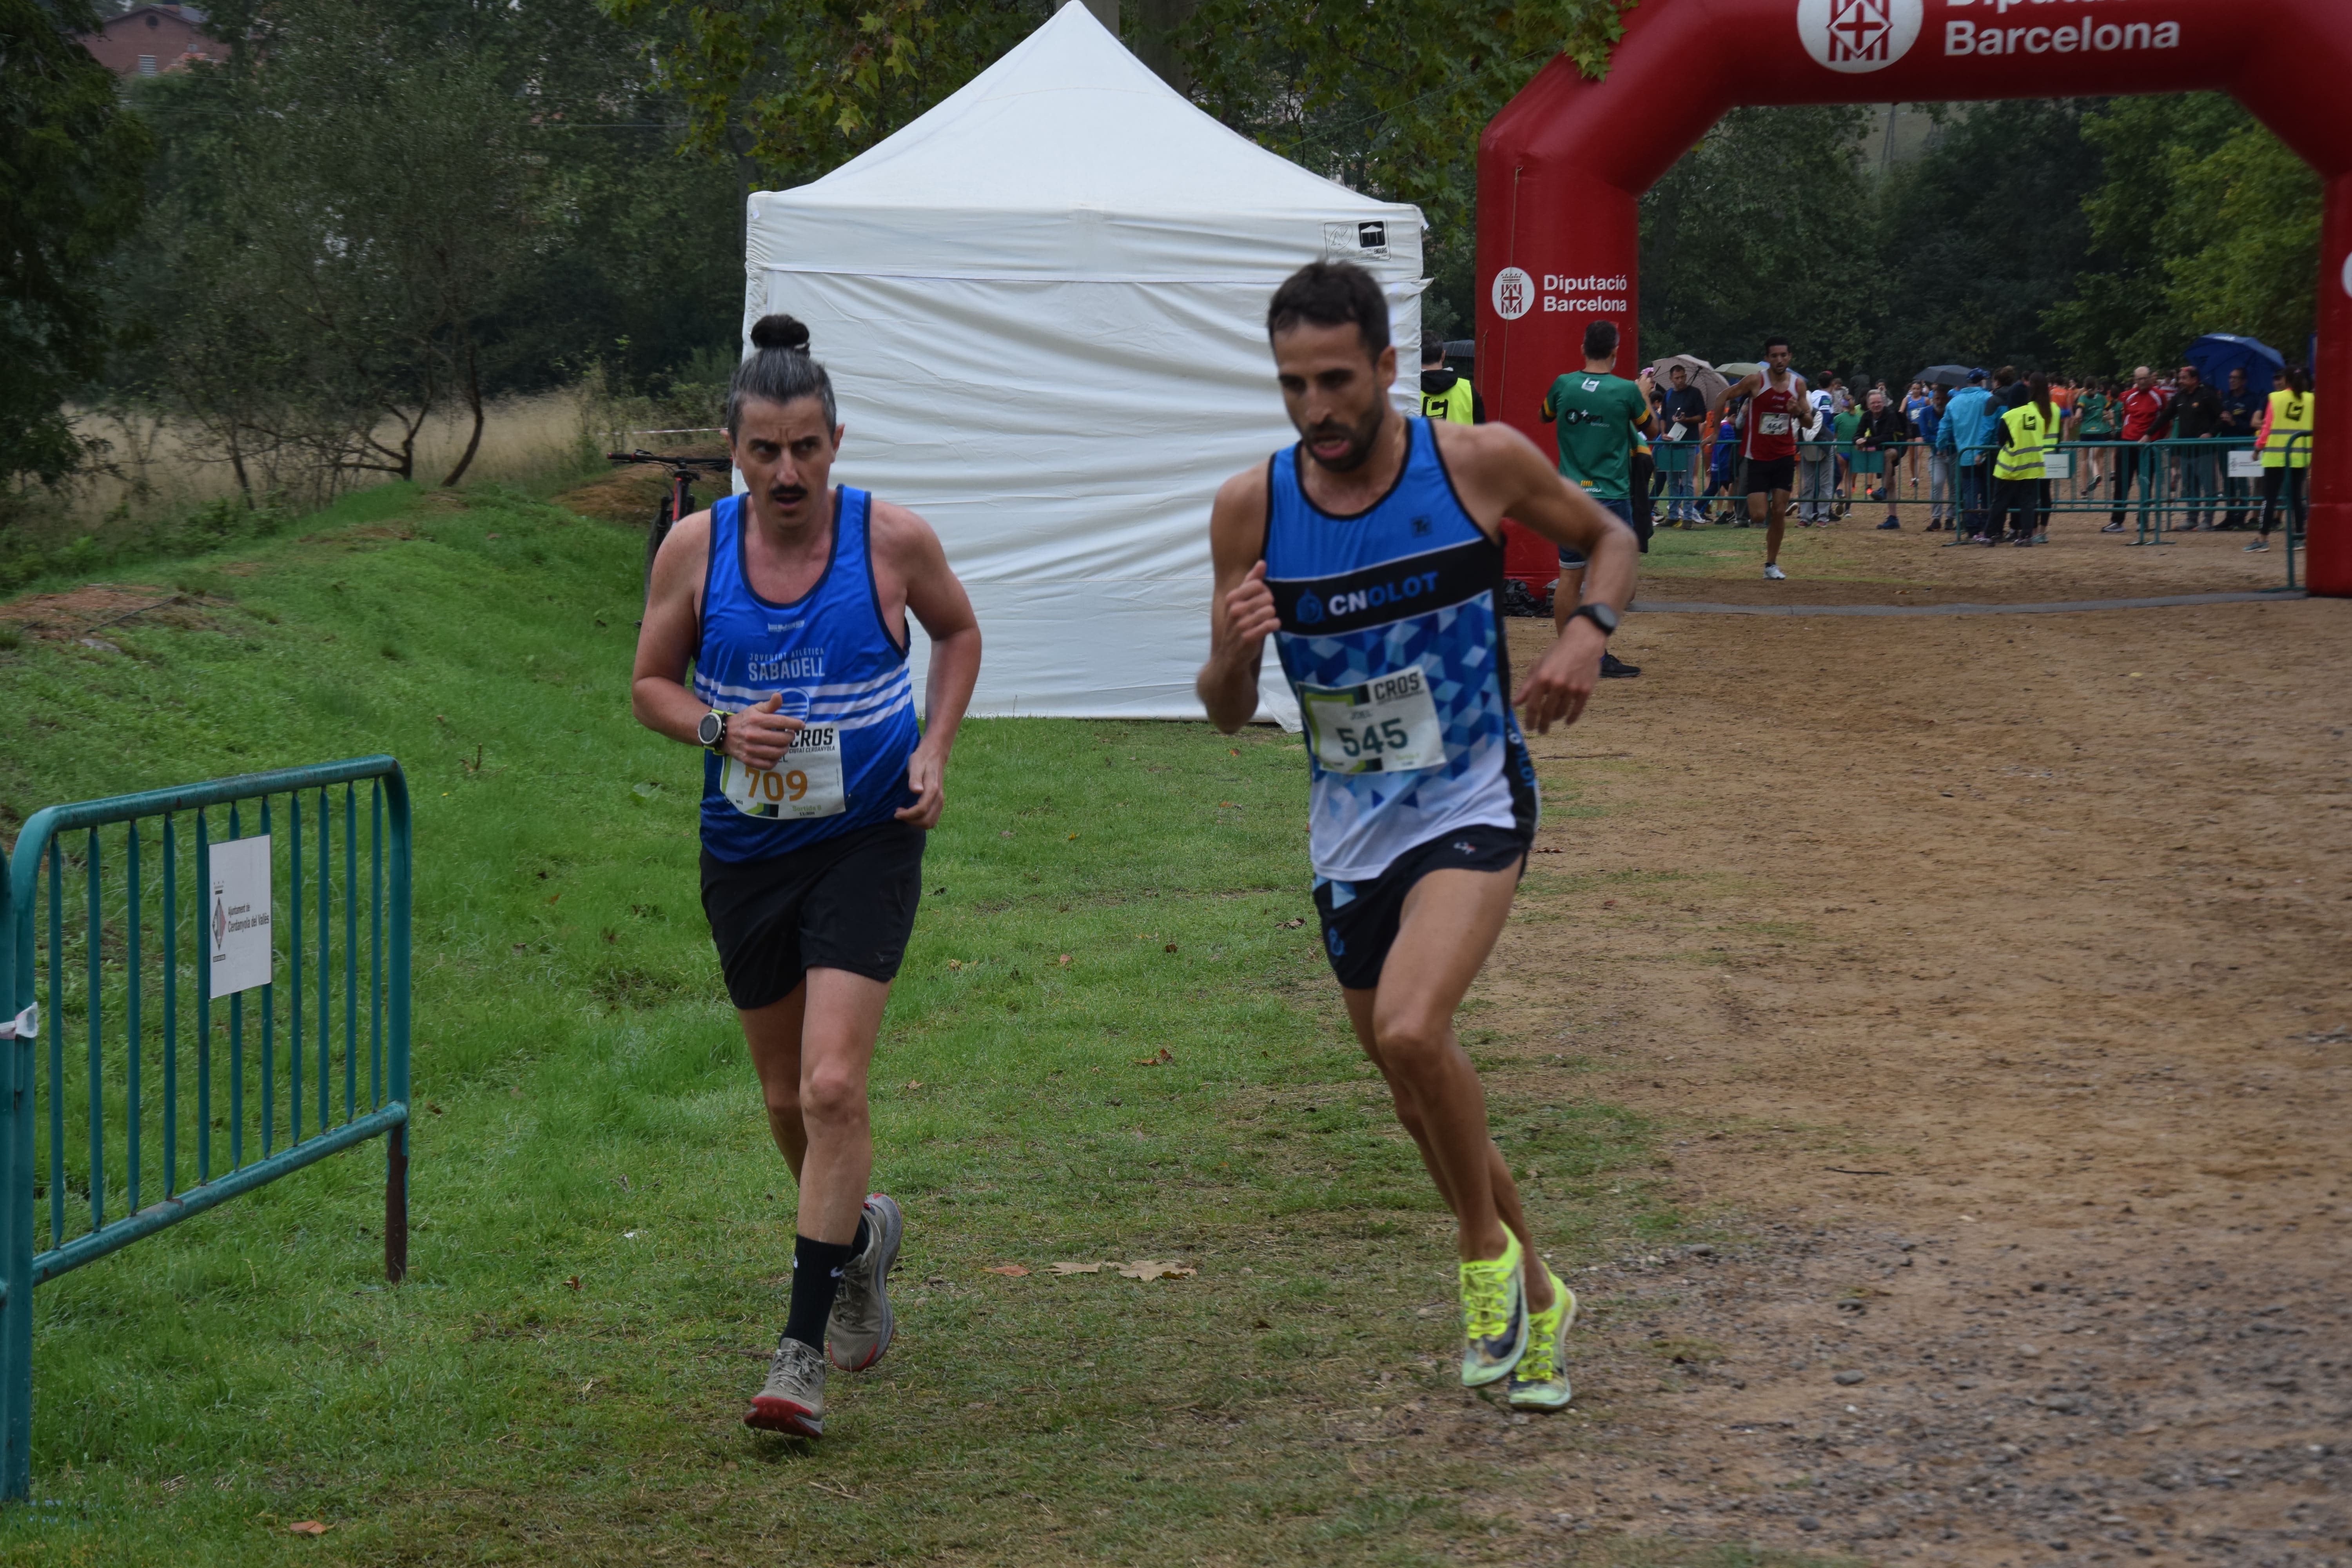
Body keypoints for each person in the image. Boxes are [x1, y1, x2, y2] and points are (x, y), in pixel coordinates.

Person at [1195, 259, 1638, 1413]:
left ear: (1391, 368)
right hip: (1348, 831)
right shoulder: (1251, 508)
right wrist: (1237, 648)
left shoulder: (1473, 463)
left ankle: (1480, 1260)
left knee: (1409, 1026)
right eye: (1292, 384)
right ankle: (1539, 1293)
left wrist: (1585, 630)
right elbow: (1226, 709)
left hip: (1470, 798)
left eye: (1335, 380)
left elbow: (1609, 534)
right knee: (1412, 1083)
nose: (1314, 408)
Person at [632, 314, 983, 1439]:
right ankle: (861, 1241)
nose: (787, 472)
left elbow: (959, 635)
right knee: (786, 1102)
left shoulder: (893, 541)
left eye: (807, 450)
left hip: (868, 837)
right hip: (746, 852)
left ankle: (798, 1352)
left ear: (838, 440)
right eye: (764, 452)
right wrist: (718, 729)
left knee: (834, 1088)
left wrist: (933, 748)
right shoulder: (695, 551)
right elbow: (650, 685)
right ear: (734, 450)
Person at [1539, 320, 1651, 677]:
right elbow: (1654, 431)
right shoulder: (1626, 391)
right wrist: (1644, 392)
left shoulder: (1564, 384)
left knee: (1570, 579)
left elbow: (1545, 414)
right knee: (1622, 586)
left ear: (1583, 348)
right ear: (1616, 351)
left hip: (1569, 497)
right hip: (1610, 499)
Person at [1705, 337, 1811, 580]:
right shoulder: (1756, 381)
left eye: (1784, 355)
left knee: (1780, 509)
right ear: (1767, 359)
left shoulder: (1798, 386)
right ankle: (1768, 552)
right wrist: (1716, 432)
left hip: (1784, 455)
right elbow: (1723, 397)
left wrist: (1798, 413)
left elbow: (1808, 421)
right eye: (1774, 356)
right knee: (1758, 516)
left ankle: (1771, 565)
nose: (1780, 360)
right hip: (1757, 458)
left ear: (1790, 357)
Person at [2247, 365, 2314, 552]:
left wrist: (2258, 448)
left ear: (2286, 380)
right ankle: (2299, 539)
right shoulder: (2311, 399)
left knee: (2269, 498)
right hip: (2300, 456)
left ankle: (2262, 539)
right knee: (2296, 499)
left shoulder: (2275, 398)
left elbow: (2267, 428)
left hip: (2276, 456)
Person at [2150, 363, 2225, 530]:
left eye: (2184, 378)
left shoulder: (2207, 396)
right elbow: (2166, 416)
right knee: (2190, 486)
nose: (2180, 381)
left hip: (2205, 450)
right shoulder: (2179, 397)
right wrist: (2149, 433)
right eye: (2180, 378)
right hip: (2186, 450)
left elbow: (2222, 416)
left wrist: (2211, 433)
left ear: (2195, 379)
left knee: (2209, 486)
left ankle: (2208, 520)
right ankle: (2192, 518)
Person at [1991, 371, 2058, 546]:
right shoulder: (2055, 409)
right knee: (2043, 496)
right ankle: (2040, 532)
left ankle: (2021, 530)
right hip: (2046, 455)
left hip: (2026, 456)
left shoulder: (2030, 410)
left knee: (2019, 498)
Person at [2105, 366, 2168, 533]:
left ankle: (2143, 520)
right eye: (2138, 379)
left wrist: (2156, 440)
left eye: (2144, 379)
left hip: (2147, 447)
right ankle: (2117, 521)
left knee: (2146, 484)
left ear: (2150, 378)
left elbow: (2165, 420)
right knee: (2121, 483)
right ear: (2135, 380)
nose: (2141, 382)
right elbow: (2120, 413)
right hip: (2127, 445)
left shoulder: (2159, 396)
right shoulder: (2127, 396)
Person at [1943, 369, 1998, 542]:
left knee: (1969, 492)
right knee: (1988, 491)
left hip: (1965, 455)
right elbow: (1992, 426)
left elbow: (1945, 427)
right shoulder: (1988, 399)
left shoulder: (1954, 402)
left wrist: (1940, 445)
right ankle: (1987, 525)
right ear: (1982, 382)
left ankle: (1972, 527)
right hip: (1987, 453)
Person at [1656, 364, 1709, 524]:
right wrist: (1663, 433)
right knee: (1672, 481)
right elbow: (1664, 416)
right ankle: (1672, 515)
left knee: (1687, 481)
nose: (1680, 381)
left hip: (1688, 442)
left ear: (1686, 376)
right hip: (1671, 443)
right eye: (1677, 378)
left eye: (1682, 377)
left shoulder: (1695, 393)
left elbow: (1702, 416)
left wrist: (1687, 420)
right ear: (1671, 379)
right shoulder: (1668, 395)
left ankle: (1687, 517)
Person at [1854, 388, 1906, 530]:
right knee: (1892, 482)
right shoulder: (1866, 416)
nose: (1877, 405)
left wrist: (1867, 441)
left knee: (1888, 455)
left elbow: (1888, 437)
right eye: (1874, 403)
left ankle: (1883, 490)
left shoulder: (1890, 414)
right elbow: (1857, 434)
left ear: (1883, 402)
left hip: (1897, 445)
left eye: (1879, 402)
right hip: (1880, 448)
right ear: (1868, 404)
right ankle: (1893, 518)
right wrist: (1859, 440)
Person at [2218, 365, 2261, 528]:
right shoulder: (2226, 397)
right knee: (2228, 481)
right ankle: (2229, 515)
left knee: (2242, 480)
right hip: (2225, 443)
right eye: (2230, 378)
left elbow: (2252, 426)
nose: (2232, 381)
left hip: (2242, 444)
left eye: (2235, 378)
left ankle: (2241, 515)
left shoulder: (2252, 399)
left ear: (2244, 381)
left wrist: (2234, 422)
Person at [1419, 331, 1485, 425]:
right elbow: (1481, 433)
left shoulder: (1407, 391)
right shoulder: (1468, 390)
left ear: (1417, 357)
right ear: (1443, 355)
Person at [1795, 386, 1836, 526]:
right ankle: (1805, 518)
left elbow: (1809, 436)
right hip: (1808, 453)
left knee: (1825, 484)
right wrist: (1799, 420)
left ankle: (1823, 517)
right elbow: (1793, 435)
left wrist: (1802, 422)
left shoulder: (1817, 415)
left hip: (1824, 451)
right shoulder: (1795, 418)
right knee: (1808, 485)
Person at [2073, 378, 2116, 496]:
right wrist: (2101, 418)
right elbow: (2111, 415)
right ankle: (2097, 475)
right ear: (2096, 387)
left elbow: (2078, 415)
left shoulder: (2083, 398)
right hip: (2099, 431)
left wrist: (2077, 420)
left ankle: (2084, 490)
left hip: (2086, 431)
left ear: (2086, 388)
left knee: (2085, 460)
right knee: (2096, 458)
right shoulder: (2102, 398)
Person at [1918, 387, 1951, 531]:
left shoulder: (1952, 412)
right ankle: (1936, 518)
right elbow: (1925, 436)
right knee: (1937, 483)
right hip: (1936, 454)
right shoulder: (1925, 413)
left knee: (1955, 486)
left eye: (1943, 399)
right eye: (1937, 399)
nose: (1940, 402)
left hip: (1954, 453)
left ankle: (1951, 518)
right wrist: (1941, 443)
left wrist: (1940, 442)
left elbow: (1955, 434)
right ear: (1932, 399)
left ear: (1948, 400)